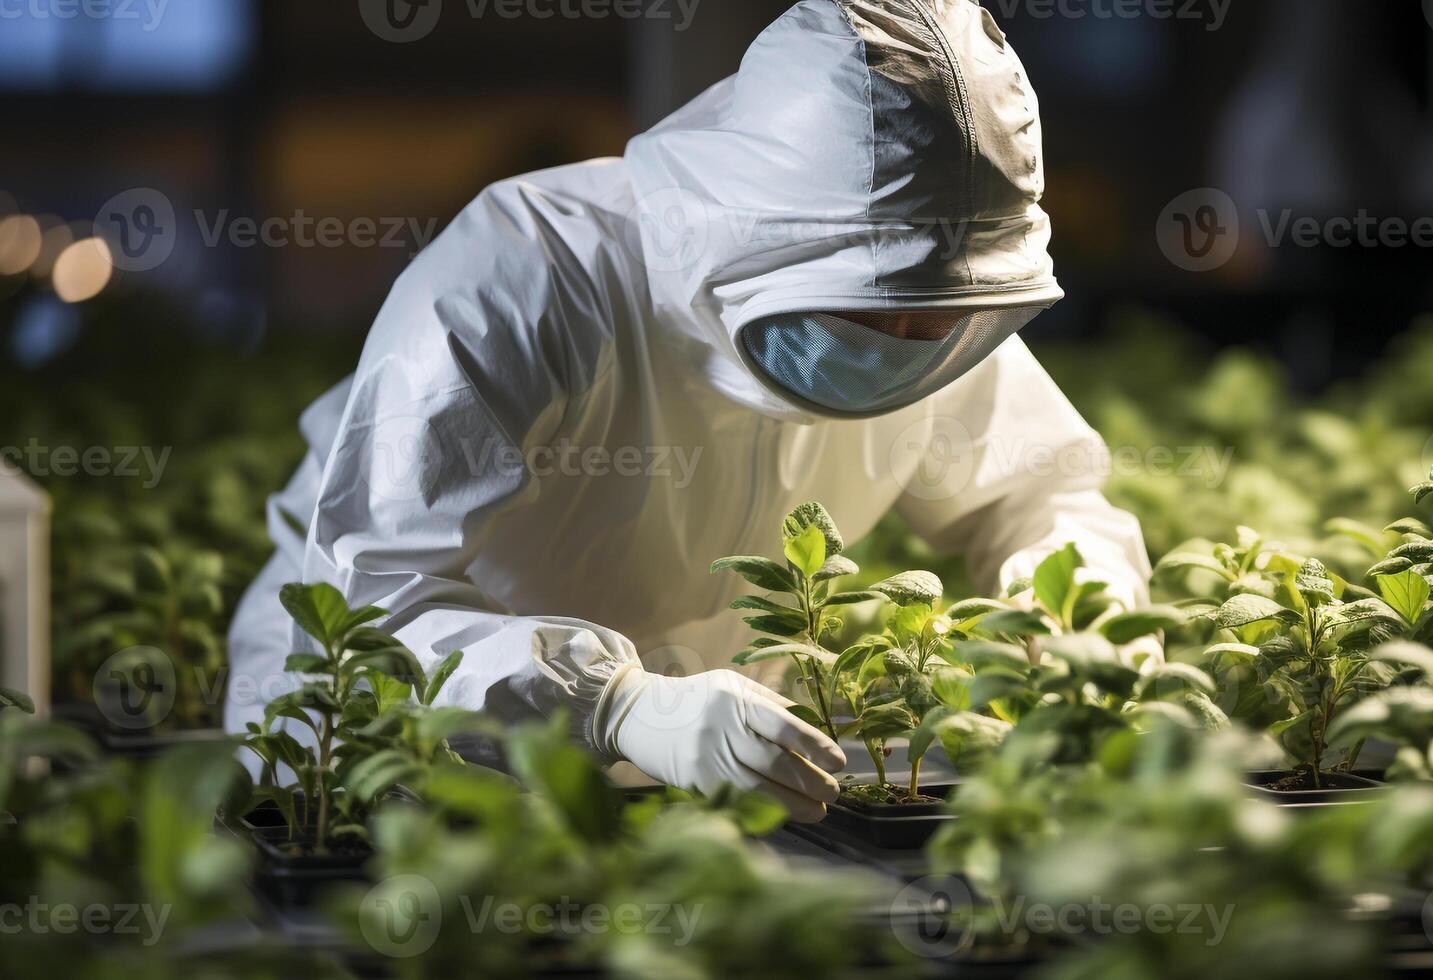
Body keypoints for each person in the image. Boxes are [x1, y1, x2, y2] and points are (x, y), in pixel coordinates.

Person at [225, 0, 1155, 823]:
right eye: (873, 310)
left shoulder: (934, 310)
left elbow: (1040, 495)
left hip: (723, 767)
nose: (910, 345)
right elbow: (368, 603)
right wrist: (613, 702)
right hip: (404, 756)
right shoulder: (531, 272)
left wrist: (1078, 608)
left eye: (945, 317)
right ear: (757, 252)